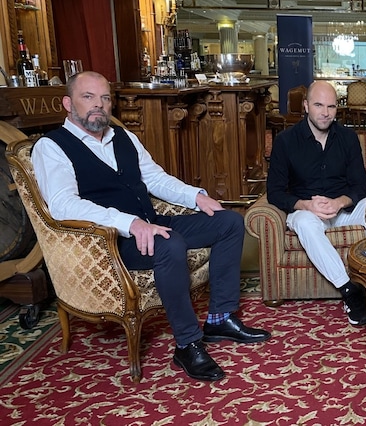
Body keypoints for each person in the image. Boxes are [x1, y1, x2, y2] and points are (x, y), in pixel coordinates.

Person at [32, 71, 271, 382]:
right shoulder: (52, 147)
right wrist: (128, 223)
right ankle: (187, 344)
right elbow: (64, 206)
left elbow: (155, 179)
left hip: (154, 223)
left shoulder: (124, 138)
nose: (99, 106)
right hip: (110, 242)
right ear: (68, 103)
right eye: (88, 97)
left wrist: (196, 196)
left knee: (229, 222)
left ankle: (219, 318)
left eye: (105, 98)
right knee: (171, 246)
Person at [267, 80, 366, 327]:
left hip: (343, 211)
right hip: (307, 212)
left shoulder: (347, 138)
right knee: (304, 222)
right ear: (306, 106)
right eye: (319, 105)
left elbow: (361, 188)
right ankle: (350, 292)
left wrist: (339, 202)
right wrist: (306, 205)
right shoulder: (286, 141)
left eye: (331, 106)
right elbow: (275, 193)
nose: (325, 112)